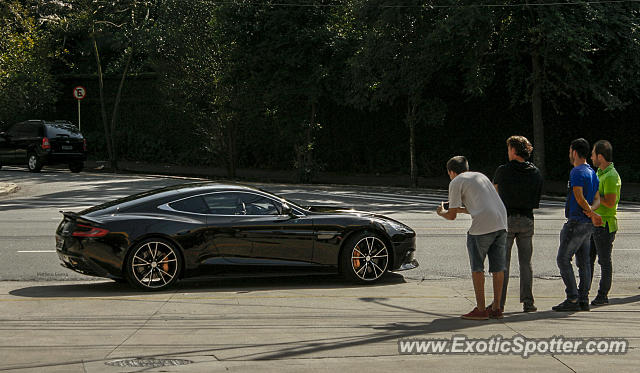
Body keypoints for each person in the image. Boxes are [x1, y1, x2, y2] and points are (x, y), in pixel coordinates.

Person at [437, 156, 508, 320]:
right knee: (498, 267)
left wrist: (441, 213)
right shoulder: (480, 176)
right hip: (501, 222)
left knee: (477, 267)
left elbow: (451, 216)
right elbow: (478, 207)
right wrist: (461, 210)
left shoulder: (455, 182)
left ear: (451, 172)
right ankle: (497, 307)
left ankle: (481, 309)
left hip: (482, 227)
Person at [493, 136, 543, 313]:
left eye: (508, 149)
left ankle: (499, 303)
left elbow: (495, 194)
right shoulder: (535, 172)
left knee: (503, 263)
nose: (507, 152)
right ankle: (528, 302)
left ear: (514, 151)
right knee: (525, 263)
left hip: (507, 219)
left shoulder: (502, 171)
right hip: (527, 219)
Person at [553, 138, 600, 312]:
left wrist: (587, 210)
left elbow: (579, 196)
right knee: (584, 262)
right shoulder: (592, 172)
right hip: (587, 224)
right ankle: (583, 298)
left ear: (574, 152)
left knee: (563, 259)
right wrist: (592, 211)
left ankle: (572, 297)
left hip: (576, 222)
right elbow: (597, 199)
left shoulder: (577, 172)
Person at [586, 140, 621, 306]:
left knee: (604, 261)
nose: (591, 157)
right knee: (587, 259)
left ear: (600, 156)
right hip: (595, 222)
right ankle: (583, 292)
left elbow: (611, 201)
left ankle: (602, 295)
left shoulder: (612, 176)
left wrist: (594, 195)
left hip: (605, 225)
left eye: (593, 153)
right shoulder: (599, 173)